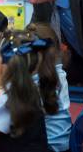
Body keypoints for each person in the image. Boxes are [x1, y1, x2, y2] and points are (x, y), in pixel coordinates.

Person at [26, 23, 71, 152]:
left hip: (48, 146)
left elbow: (14, 114)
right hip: (63, 141)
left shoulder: (38, 82)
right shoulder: (59, 73)